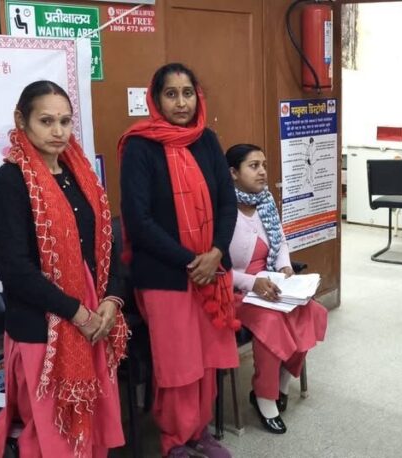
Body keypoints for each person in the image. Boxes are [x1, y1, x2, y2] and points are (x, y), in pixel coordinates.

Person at [0, 80, 129, 457]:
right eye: (46, 121)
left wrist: (111, 300)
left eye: (65, 121)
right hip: (45, 327)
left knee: (92, 427)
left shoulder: (79, 174)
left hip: (92, 322)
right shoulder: (9, 182)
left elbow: (106, 245)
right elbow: (14, 269)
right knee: (52, 437)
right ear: (21, 120)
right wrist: (76, 313)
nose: (58, 131)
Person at [119, 62, 238, 458]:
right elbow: (138, 220)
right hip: (165, 275)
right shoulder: (140, 147)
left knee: (206, 360)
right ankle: (174, 440)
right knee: (178, 364)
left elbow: (227, 203)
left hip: (211, 269)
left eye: (188, 93)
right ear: (156, 100)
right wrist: (192, 261)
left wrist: (216, 253)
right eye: (171, 94)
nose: (181, 102)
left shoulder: (207, 140)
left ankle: (198, 430)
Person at [225, 144, 328, 434]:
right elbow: (217, 269)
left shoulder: (266, 201)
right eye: (253, 166)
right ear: (233, 173)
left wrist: (284, 268)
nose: (262, 172)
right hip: (236, 291)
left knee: (309, 310)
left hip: (271, 282)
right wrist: (252, 283)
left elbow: (280, 242)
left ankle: (282, 383)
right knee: (271, 322)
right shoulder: (222, 209)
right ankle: (264, 396)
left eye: (264, 165)